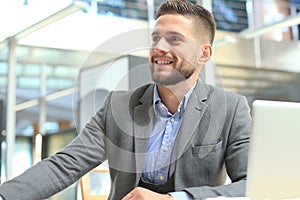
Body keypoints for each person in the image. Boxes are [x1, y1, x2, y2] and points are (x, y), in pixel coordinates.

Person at [0, 0, 251, 199]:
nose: (159, 47)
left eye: (174, 39)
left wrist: (175, 198)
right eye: (156, 38)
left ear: (203, 53)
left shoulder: (230, 109)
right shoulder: (118, 107)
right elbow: (66, 163)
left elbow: (251, 185)